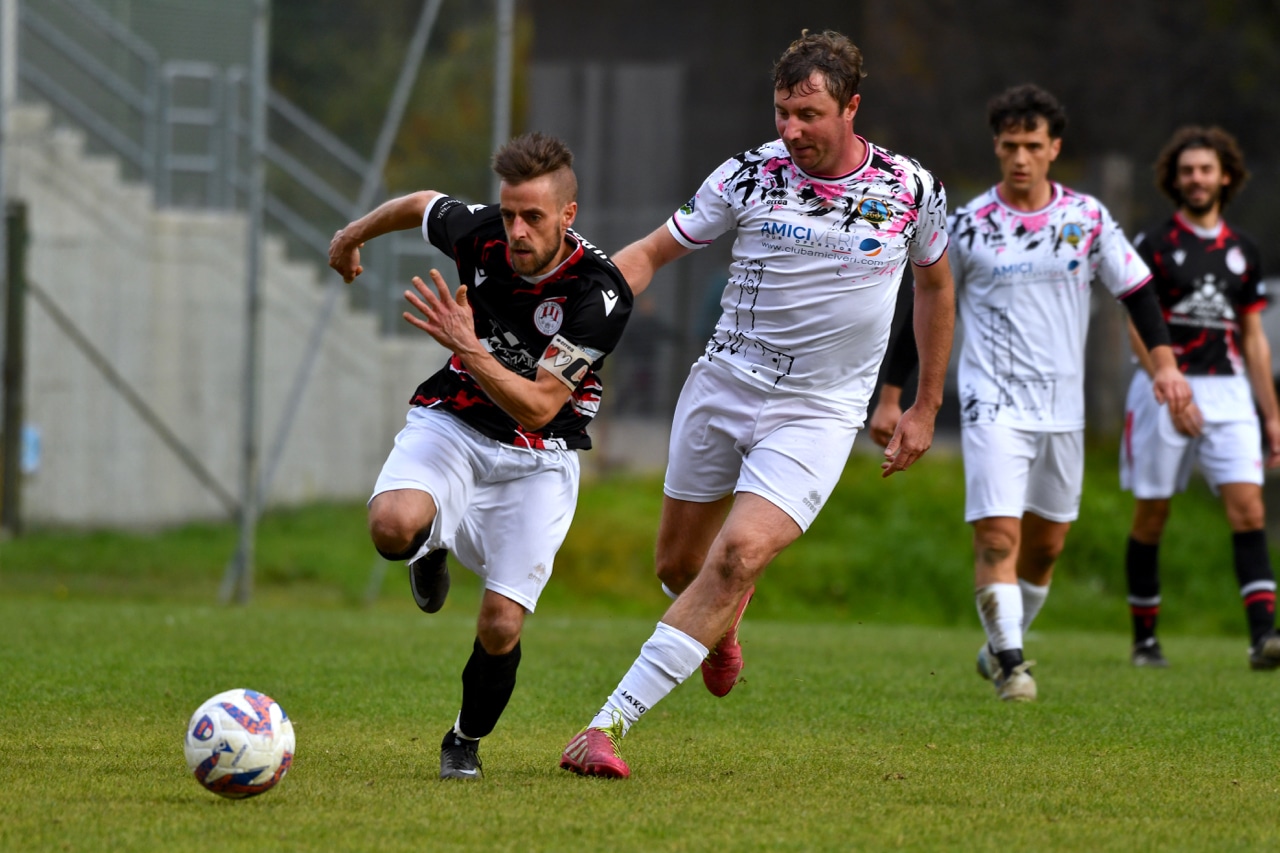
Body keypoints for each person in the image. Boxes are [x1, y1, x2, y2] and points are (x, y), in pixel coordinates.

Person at [558, 30, 955, 779]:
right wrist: (583, 326)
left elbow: (935, 287)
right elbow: (651, 252)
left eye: (809, 114)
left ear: (852, 108)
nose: (792, 130)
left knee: (739, 554)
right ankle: (723, 622)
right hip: (724, 384)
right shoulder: (748, 173)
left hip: (819, 410)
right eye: (782, 112)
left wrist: (923, 404)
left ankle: (604, 728)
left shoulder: (912, 189)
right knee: (679, 564)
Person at [868, 84, 1191, 702]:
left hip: (1062, 410)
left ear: (1054, 149)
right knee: (997, 537)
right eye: (1010, 144)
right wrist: (892, 396)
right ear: (997, 146)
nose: (1021, 157)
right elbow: (923, 307)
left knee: (1045, 549)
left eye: (1033, 146)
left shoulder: (1086, 218)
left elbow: (1138, 292)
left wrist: (1166, 366)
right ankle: (1014, 665)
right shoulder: (967, 225)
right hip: (992, 403)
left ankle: (998, 644)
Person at [327, 132, 633, 780]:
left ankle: (463, 740)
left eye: (533, 217)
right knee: (391, 527)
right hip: (457, 421)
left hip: (541, 455)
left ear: (568, 215)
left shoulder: (598, 293)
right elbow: (420, 203)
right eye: (509, 212)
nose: (516, 230)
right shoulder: (483, 232)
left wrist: (469, 347)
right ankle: (427, 545)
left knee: (499, 624)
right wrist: (351, 236)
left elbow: (540, 407)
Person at [1120, 126, 1280, 670]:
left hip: (1228, 391)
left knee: (1249, 508)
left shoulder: (1243, 251)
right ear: (1175, 179)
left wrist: (1271, 414)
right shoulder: (1153, 244)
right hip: (1164, 387)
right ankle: (1145, 641)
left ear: (1225, 177)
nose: (1196, 178)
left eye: (1205, 169)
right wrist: (1169, 387)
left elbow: (1253, 339)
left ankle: (1264, 639)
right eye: (1187, 170)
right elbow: (1136, 326)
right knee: (1153, 514)